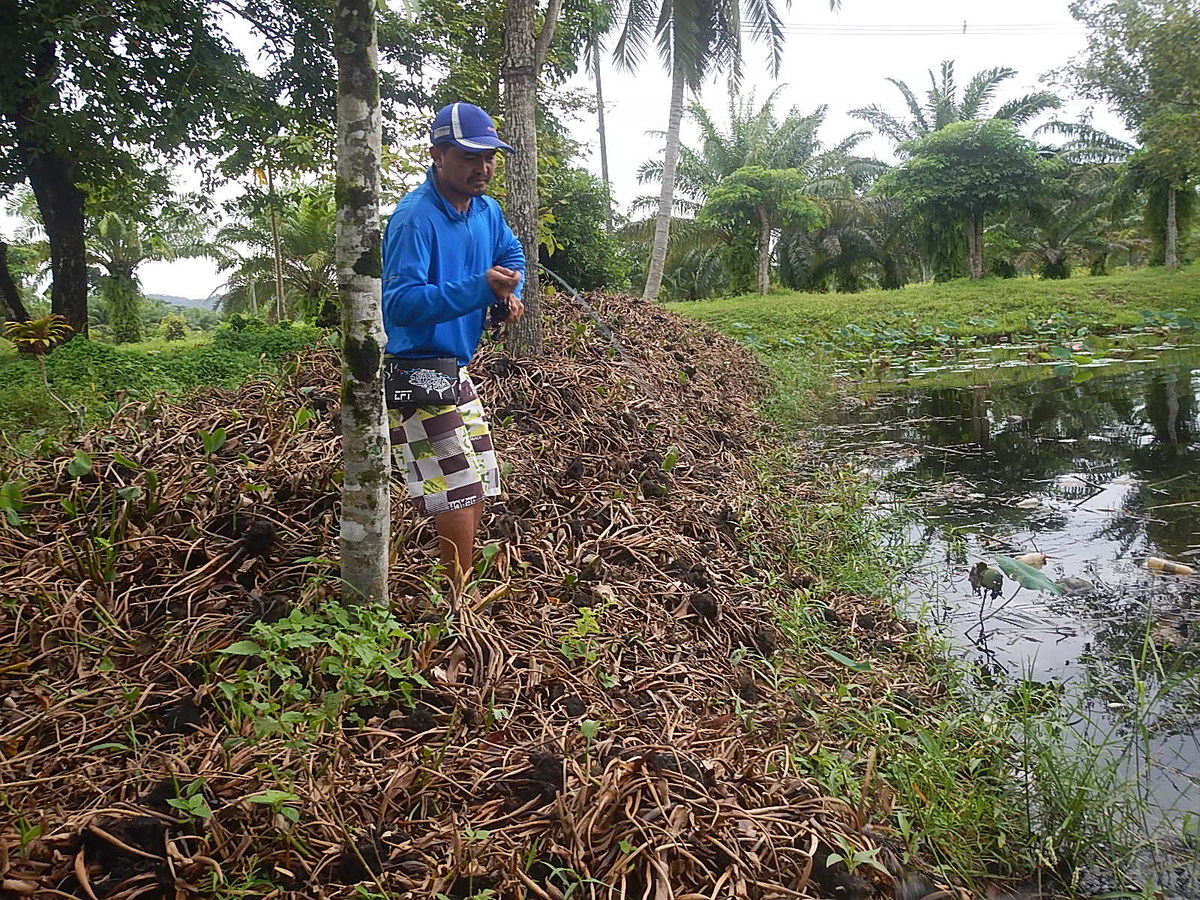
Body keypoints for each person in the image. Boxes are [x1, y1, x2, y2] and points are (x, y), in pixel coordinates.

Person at [381, 102, 525, 593]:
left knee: (481, 478)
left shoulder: (486, 210)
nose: (482, 167)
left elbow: (511, 253)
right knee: (456, 492)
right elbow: (399, 305)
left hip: (455, 366)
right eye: (469, 156)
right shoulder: (414, 219)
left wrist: (509, 292)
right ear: (438, 154)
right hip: (416, 369)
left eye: (489, 157)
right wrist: (479, 290)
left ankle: (459, 586)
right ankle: (455, 600)